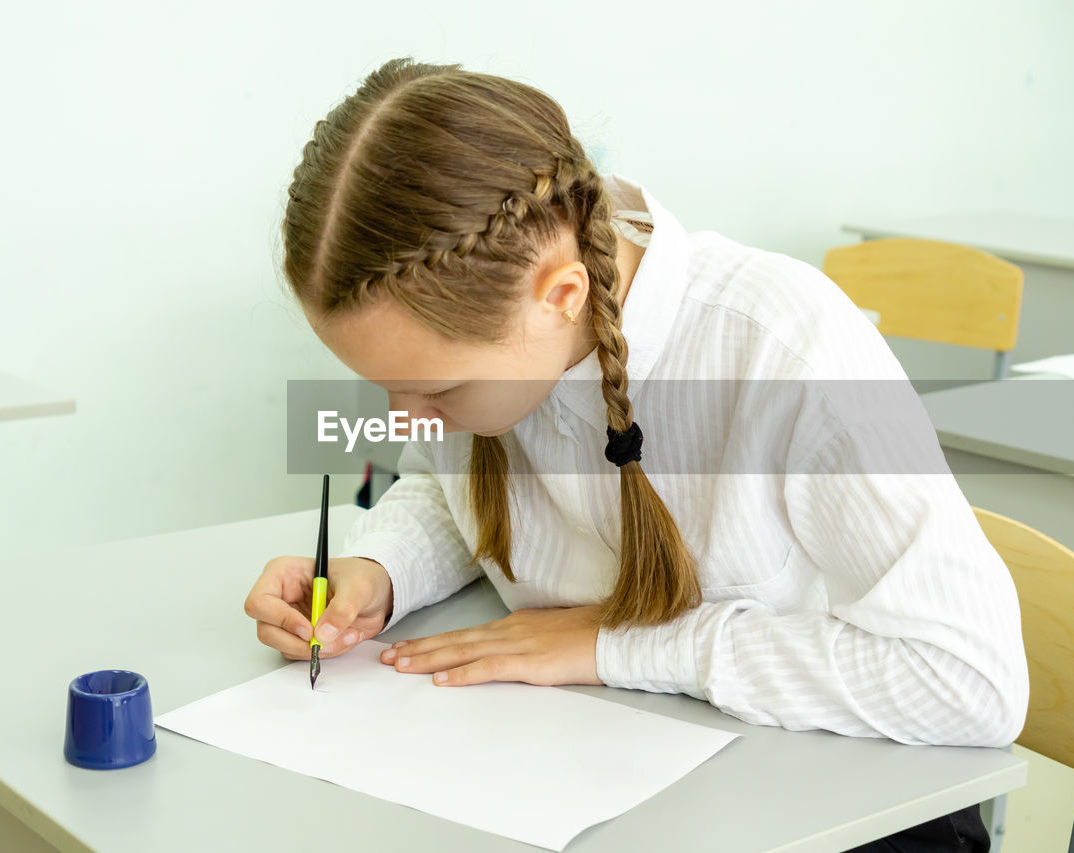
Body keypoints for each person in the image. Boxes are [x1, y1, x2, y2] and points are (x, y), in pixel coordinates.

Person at [243, 56, 1027, 852]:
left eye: (435, 391)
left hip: (840, 811)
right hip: (601, 782)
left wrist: (615, 645)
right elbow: (455, 488)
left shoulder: (786, 347)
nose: (402, 419)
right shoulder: (505, 345)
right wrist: (377, 572)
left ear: (562, 297)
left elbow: (970, 682)